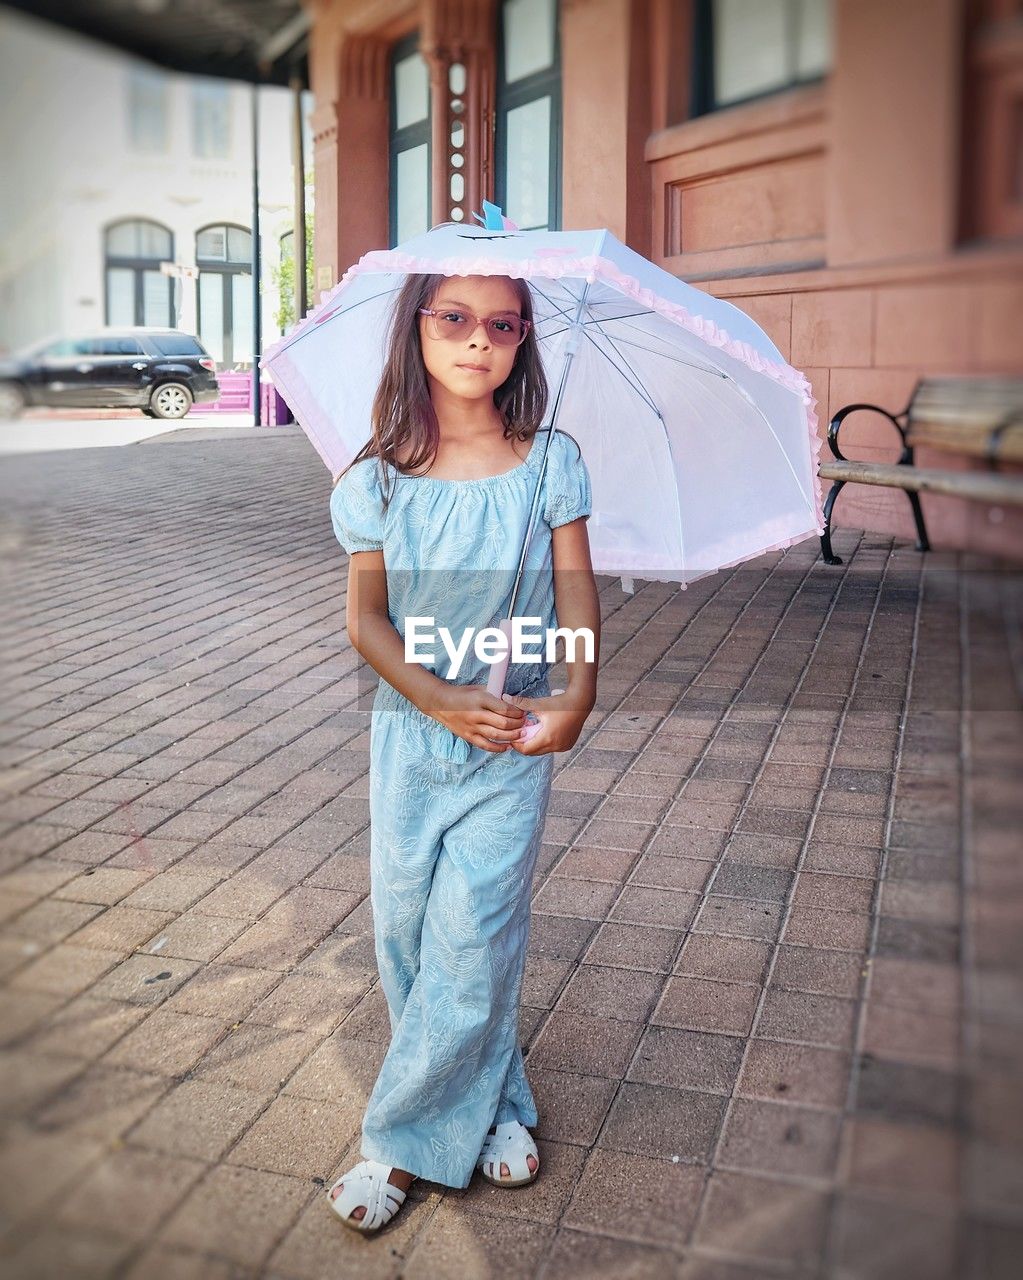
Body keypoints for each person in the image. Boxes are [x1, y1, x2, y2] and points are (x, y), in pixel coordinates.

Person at [324, 269, 600, 1234]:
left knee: (474, 938)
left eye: (502, 324)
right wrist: (438, 699)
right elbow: (365, 622)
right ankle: (497, 1105)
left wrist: (576, 692)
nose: (477, 340)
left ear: (522, 341)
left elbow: (575, 597)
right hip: (411, 737)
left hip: (512, 738)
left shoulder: (549, 463)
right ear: (418, 330)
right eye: (454, 318)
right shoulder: (375, 481)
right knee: (407, 937)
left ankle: (398, 1146)